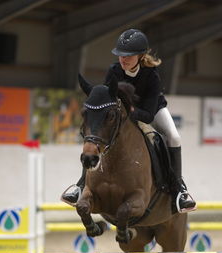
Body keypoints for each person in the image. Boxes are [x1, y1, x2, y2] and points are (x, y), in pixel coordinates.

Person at [62, 28, 196, 213]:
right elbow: (107, 97)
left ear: (140, 56)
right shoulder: (114, 70)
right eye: (120, 55)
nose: (122, 59)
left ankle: (179, 189)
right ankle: (81, 185)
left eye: (128, 56)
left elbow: (148, 115)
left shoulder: (151, 75)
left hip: (152, 111)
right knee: (96, 140)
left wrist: (129, 111)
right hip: (121, 113)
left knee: (174, 137)